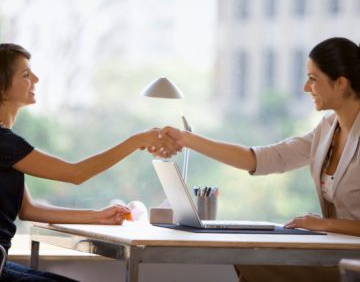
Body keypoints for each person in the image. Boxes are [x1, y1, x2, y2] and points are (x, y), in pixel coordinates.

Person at [159, 37, 360, 282]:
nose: (306, 88)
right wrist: (186, 139)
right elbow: (260, 159)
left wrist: (324, 224)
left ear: (340, 83)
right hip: (336, 255)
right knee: (248, 260)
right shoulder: (327, 129)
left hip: (352, 263)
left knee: (255, 265)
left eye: (313, 79)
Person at [0, 43, 178, 282]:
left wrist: (97, 216)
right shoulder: (4, 143)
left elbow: (29, 210)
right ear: (2, 88)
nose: (36, 78)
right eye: (25, 74)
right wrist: (137, 141)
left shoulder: (7, 143)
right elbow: (76, 173)